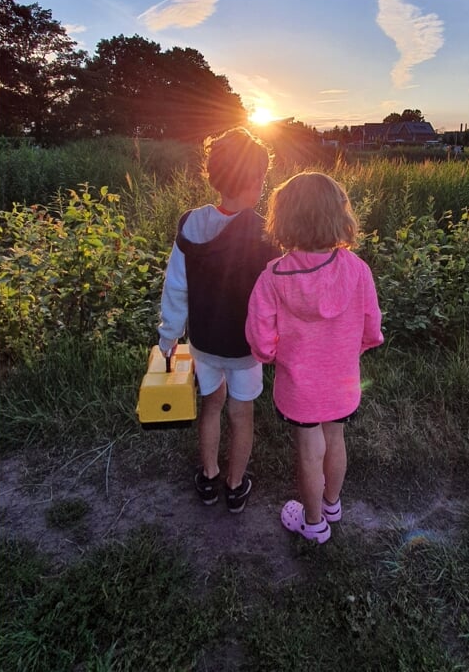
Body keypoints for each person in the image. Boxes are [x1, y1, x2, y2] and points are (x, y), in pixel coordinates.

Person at [245, 172, 384, 543]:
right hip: (341, 379)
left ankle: (313, 523)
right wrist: (354, 350)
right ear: (340, 215)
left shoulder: (274, 276)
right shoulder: (357, 269)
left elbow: (259, 335)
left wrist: (271, 355)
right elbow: (372, 324)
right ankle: (331, 504)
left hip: (299, 385)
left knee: (310, 449)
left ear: (285, 218)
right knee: (335, 439)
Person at [157, 128, 280, 513]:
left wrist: (169, 336)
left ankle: (208, 476)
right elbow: (278, 293)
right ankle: (235, 483)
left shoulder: (190, 224)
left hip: (204, 344)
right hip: (246, 347)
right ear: (258, 179)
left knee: (211, 405)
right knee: (241, 414)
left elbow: (175, 286)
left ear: (215, 176)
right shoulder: (266, 232)